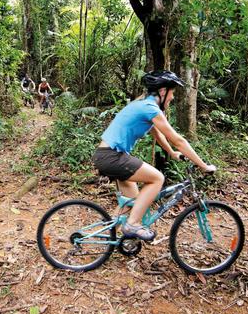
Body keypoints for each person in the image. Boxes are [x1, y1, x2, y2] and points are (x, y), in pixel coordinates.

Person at [92, 70, 216, 241]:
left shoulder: (143, 105)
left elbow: (157, 133)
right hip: (112, 157)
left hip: (106, 156)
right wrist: (203, 165)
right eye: (172, 93)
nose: (172, 98)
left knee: (133, 202)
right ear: (163, 91)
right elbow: (178, 140)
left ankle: (107, 236)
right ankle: (133, 224)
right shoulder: (149, 108)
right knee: (157, 178)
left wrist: (172, 153)